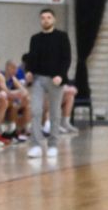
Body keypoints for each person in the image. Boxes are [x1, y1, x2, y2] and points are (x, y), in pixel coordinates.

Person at [25, 9, 73, 160]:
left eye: (48, 17)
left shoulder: (62, 37)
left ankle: (53, 145)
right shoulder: (35, 38)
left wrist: (61, 75)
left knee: (54, 112)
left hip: (55, 79)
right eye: (43, 18)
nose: (45, 20)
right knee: (35, 110)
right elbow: (31, 58)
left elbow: (66, 58)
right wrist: (29, 71)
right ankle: (36, 145)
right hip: (38, 78)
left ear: (54, 19)